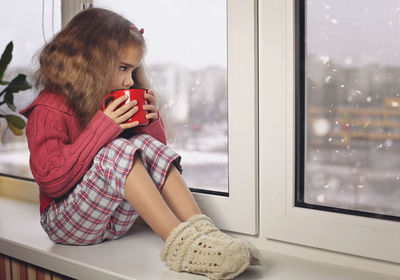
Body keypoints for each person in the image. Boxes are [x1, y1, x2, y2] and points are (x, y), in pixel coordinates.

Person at [21, 8, 260, 280]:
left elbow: (154, 163)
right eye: (123, 68)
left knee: (141, 143)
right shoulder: (50, 108)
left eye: (133, 70)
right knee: (117, 150)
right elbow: (51, 181)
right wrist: (104, 127)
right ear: (88, 62)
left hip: (112, 221)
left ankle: (206, 234)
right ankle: (181, 247)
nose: (130, 80)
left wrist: (149, 119)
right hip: (64, 225)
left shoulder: (110, 98)